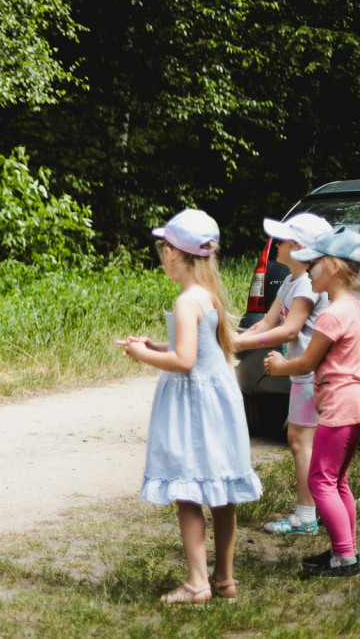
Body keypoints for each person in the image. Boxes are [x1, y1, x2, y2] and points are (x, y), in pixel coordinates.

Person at [117, 209, 262, 604]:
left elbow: (185, 361)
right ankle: (225, 578)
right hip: (218, 401)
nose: (163, 254)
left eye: (165, 248)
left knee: (187, 489)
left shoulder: (186, 301)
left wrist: (140, 356)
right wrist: (153, 345)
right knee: (220, 488)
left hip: (193, 404)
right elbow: (198, 348)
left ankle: (197, 583)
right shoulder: (208, 294)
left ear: (177, 256)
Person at [265, 227, 360, 577]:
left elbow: (307, 363)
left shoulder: (332, 315)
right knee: (339, 480)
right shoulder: (355, 308)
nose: (309, 270)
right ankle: (346, 549)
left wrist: (278, 368)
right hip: (355, 406)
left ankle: (344, 558)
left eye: (315, 263)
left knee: (321, 480)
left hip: (338, 407)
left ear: (334, 266)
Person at [234, 213, 331, 536]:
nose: (276, 245)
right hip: (302, 377)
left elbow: (289, 331)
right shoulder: (291, 280)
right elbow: (267, 322)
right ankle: (318, 507)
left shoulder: (307, 285)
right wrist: (238, 340)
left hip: (310, 376)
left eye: (284, 240)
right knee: (302, 441)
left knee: (300, 442)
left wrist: (245, 342)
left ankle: (306, 515)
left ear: (300, 247)